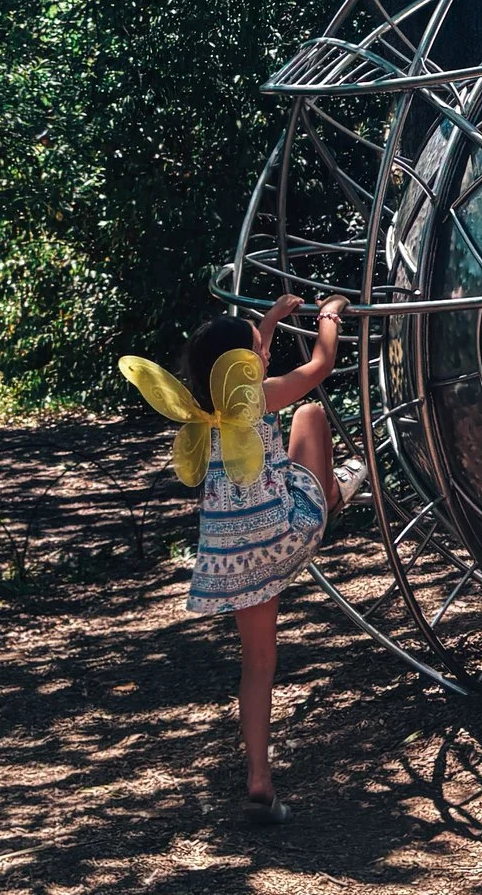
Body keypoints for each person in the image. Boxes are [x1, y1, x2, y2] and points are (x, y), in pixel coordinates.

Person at [119, 294, 352, 824]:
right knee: (312, 414)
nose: (263, 358)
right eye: (256, 352)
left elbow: (242, 360)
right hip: (287, 528)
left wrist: (264, 324)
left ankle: (259, 782)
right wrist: (328, 318)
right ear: (245, 367)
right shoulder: (260, 397)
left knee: (257, 666)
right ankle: (332, 495)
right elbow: (321, 365)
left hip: (235, 558)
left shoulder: (201, 408)